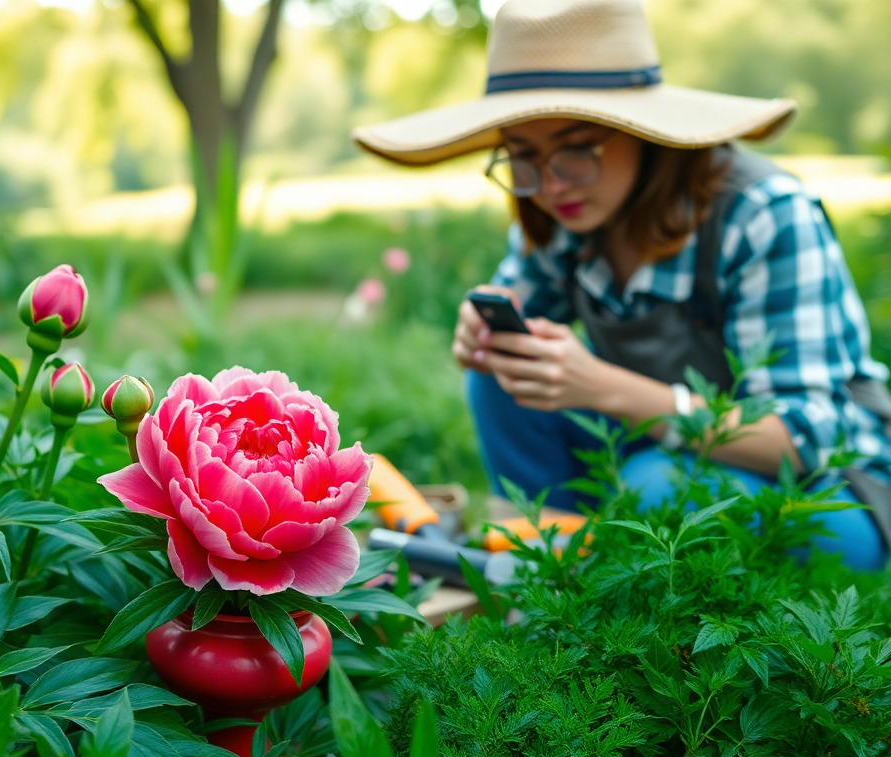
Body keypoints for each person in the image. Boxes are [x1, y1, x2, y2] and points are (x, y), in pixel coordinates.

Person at [352, 0, 891, 569]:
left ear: (640, 132)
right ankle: (549, 571)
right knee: (505, 378)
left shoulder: (765, 214)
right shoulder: (566, 211)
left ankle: (592, 559)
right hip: (665, 453)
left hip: (832, 492)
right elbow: (516, 321)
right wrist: (486, 334)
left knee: (656, 490)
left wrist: (603, 388)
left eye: (576, 149)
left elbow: (802, 440)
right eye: (523, 158)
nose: (551, 184)